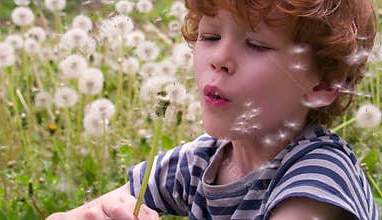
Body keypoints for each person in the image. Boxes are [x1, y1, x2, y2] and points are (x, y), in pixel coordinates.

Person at [47, 0, 380, 219]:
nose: (218, 59)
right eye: (209, 37)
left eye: (256, 44)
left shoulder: (318, 181)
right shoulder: (196, 163)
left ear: (322, 85)